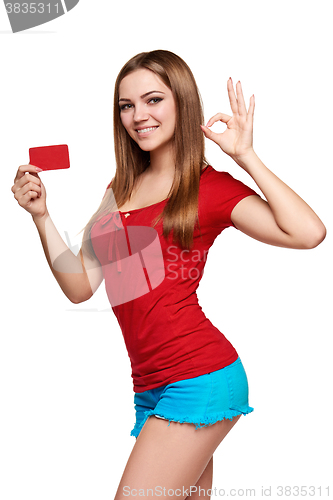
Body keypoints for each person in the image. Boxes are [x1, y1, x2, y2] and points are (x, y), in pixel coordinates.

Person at [11, 50, 326, 498]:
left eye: (153, 100)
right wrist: (42, 217)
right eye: (126, 105)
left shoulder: (209, 188)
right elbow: (80, 286)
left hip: (199, 376)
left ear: (182, 102)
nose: (139, 115)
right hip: (150, 385)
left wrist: (246, 155)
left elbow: (309, 233)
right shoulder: (118, 189)